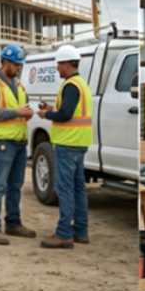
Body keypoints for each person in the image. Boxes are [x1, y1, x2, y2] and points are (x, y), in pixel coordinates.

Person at [36, 43, 92, 249]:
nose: (57, 68)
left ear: (67, 64)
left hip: (67, 143)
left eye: (59, 64)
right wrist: (53, 108)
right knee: (78, 189)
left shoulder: (70, 86)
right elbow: (71, 110)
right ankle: (81, 231)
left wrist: (46, 114)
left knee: (64, 189)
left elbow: (65, 115)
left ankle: (63, 234)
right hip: (79, 142)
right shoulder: (81, 84)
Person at [0, 43, 37, 244]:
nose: (18, 68)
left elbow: (21, 108)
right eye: (15, 64)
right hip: (1, 142)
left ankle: (13, 223)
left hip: (19, 141)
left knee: (15, 185)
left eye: (20, 65)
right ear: (5, 62)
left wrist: (26, 113)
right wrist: (16, 113)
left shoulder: (19, 85)